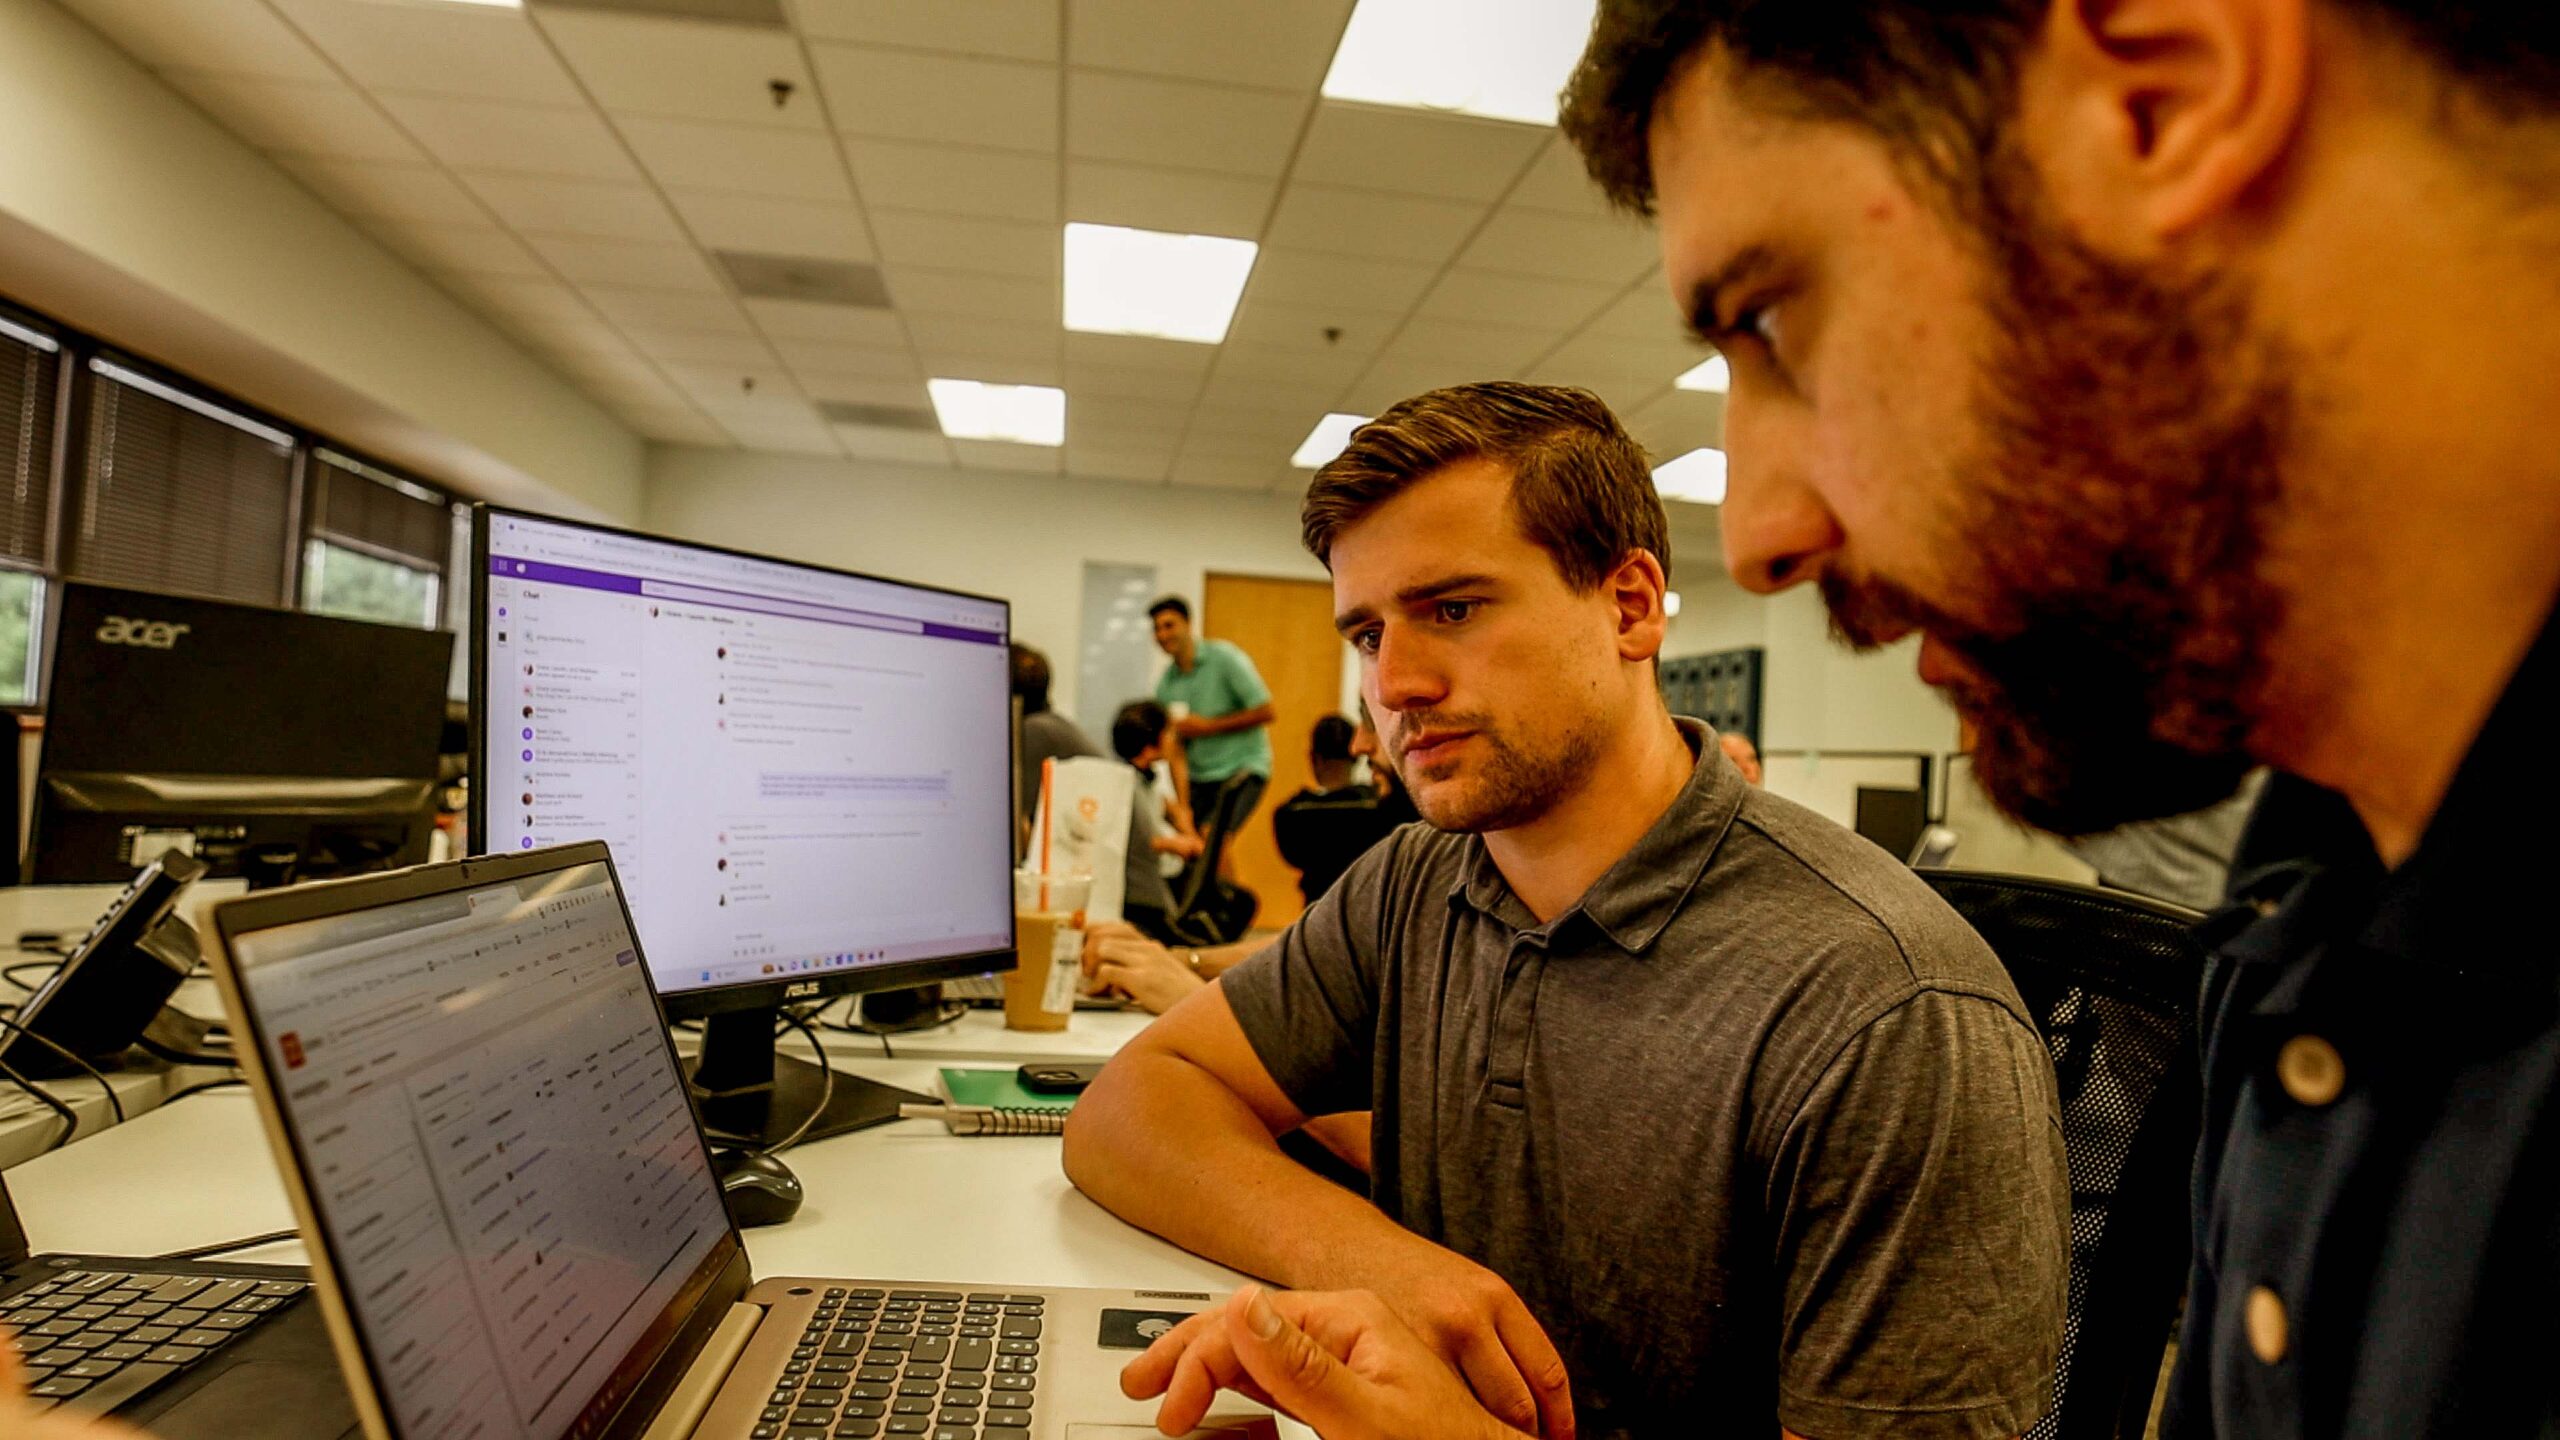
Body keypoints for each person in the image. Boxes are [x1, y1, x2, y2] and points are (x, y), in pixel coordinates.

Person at [1127, 4, 2560, 1438]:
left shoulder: (1896, 1005)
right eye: (1367, 635)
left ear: (2168, 99)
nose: (1755, 537)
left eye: (1771, 320)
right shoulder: (2324, 931)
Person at [1069, 381, 2068, 1439]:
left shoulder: (1890, 1014)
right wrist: (1377, 1261)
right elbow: (1129, 1109)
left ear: (1631, 606)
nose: (1394, 683)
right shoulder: (1416, 882)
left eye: (1452, 609)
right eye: (1366, 634)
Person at [1149, 596, 1276, 841]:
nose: (1162, 634)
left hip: (1242, 769)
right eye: (1156, 629)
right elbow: (1175, 750)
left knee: (1213, 839)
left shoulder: (1225, 659)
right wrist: (1183, 805)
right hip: (1200, 778)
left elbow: (1267, 711)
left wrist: (1208, 727)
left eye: (1169, 625)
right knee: (1197, 848)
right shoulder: (1165, 686)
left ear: (1188, 624)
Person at [1271, 714, 1403, 904]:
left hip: (1315, 904)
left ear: (1313, 758)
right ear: (1356, 755)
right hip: (1372, 903)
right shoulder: (1382, 807)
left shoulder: (1291, 814)